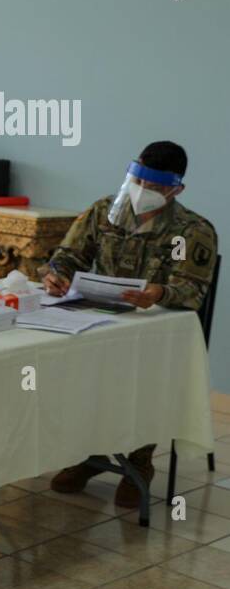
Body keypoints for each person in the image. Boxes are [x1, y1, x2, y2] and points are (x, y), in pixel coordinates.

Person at [40, 141, 218, 507]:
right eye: (137, 182)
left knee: (145, 375)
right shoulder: (104, 211)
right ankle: (89, 454)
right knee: (66, 364)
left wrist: (160, 292)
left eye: (152, 188)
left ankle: (139, 459)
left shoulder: (191, 230)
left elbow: (192, 287)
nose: (142, 193)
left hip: (154, 329)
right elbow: (68, 256)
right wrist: (57, 275)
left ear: (175, 190)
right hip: (98, 321)